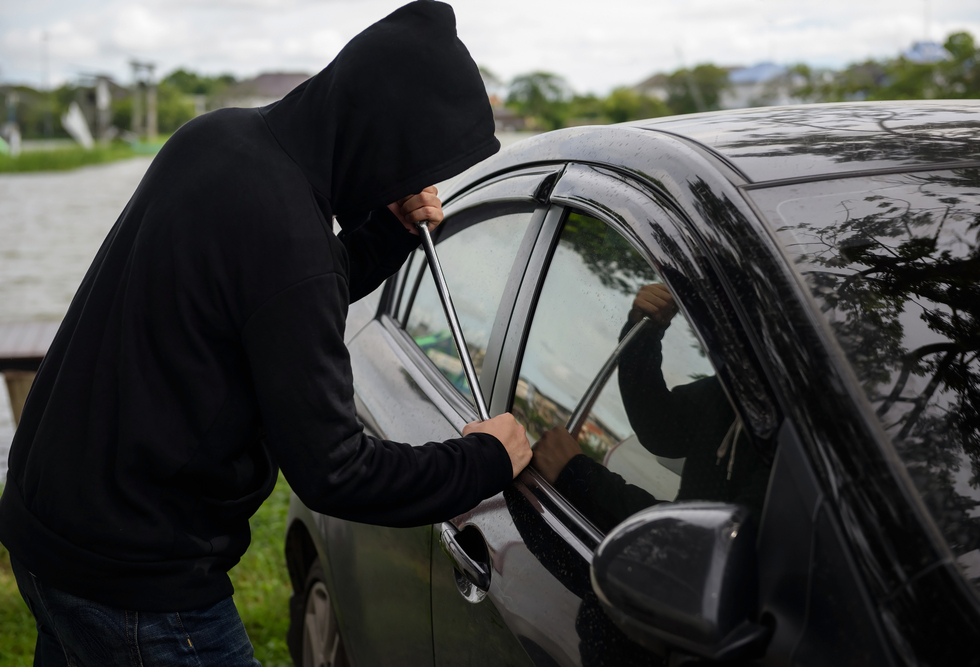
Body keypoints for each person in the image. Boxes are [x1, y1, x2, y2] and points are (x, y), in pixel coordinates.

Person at [0, 3, 531, 665]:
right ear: (382, 138)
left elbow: (270, 295)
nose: (418, 179)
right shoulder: (291, 242)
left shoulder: (220, 139)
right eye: (416, 159)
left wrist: (387, 234)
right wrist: (481, 461)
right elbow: (337, 471)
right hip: (138, 582)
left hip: (45, 528)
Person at [532, 283, 770, 533]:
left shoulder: (798, 448)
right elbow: (662, 431)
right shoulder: (740, 391)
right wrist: (645, 331)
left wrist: (578, 476)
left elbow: (695, 541)